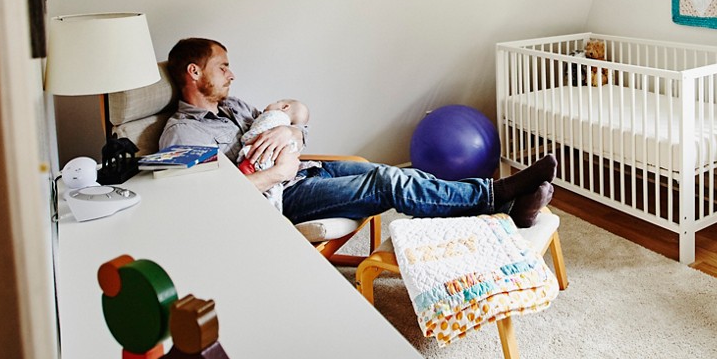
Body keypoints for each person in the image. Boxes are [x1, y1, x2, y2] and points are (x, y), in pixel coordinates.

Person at [158, 38, 556, 227]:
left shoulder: (235, 106)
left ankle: (508, 208)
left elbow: (296, 112)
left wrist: (293, 133)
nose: (232, 73)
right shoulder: (182, 135)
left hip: (308, 170)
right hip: (284, 196)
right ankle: (497, 195)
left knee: (402, 176)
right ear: (194, 73)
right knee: (385, 181)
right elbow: (203, 200)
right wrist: (277, 173)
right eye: (222, 66)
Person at [235, 99, 311, 212]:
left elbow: (303, 132)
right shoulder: (278, 118)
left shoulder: (272, 116)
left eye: (277, 102)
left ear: (285, 107)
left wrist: (288, 131)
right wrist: (280, 172)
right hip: (283, 180)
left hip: (300, 172)